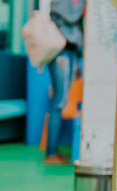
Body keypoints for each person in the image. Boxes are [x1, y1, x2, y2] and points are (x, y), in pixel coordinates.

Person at [44, 0, 84, 166]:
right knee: (59, 102)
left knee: (62, 101)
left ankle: (54, 150)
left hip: (71, 52)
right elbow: (71, 16)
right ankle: (50, 153)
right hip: (61, 53)